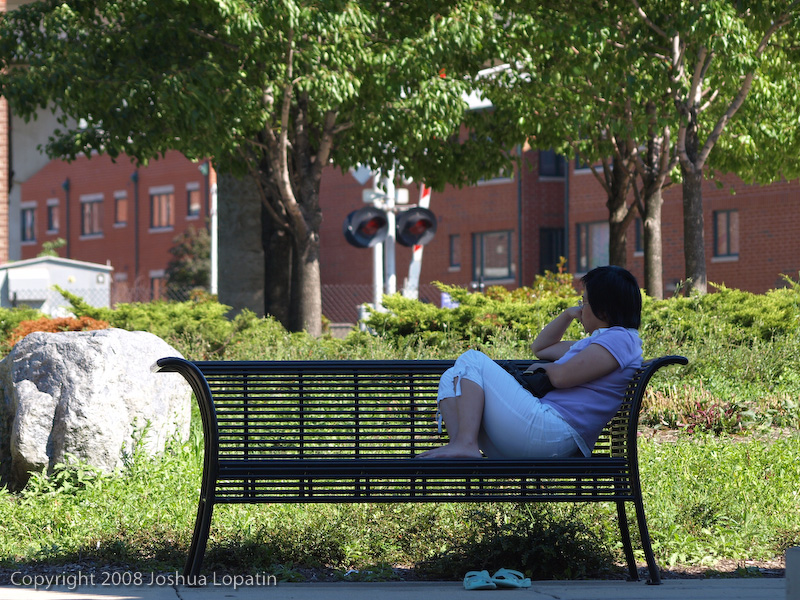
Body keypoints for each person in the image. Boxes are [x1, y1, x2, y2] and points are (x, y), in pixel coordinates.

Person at [417, 265, 643, 459]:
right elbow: (541, 348)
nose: (581, 308)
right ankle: (461, 445)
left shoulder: (621, 338)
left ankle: (465, 443)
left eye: (584, 301)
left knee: (472, 360)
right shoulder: (601, 343)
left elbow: (562, 377)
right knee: (451, 377)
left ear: (603, 310)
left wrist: (544, 368)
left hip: (555, 430)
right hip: (545, 432)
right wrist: (567, 314)